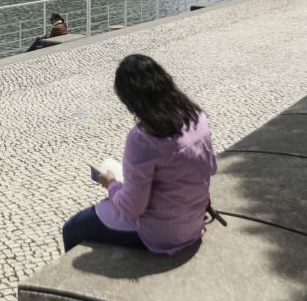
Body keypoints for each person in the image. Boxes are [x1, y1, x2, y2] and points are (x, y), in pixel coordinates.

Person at [61, 54, 217, 255]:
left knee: (72, 229)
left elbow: (133, 207)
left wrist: (111, 184)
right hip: (193, 220)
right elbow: (211, 167)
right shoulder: (197, 117)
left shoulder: (143, 138)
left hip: (161, 233)